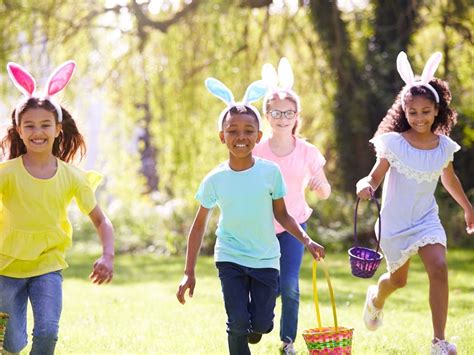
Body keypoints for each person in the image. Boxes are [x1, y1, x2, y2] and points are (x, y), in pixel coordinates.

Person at [176, 77, 325, 355]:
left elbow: (283, 214)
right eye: (232, 131)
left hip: (266, 259)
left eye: (248, 130)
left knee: (261, 324)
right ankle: (242, 332)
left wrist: (307, 240)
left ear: (259, 136)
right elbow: (197, 228)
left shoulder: (270, 173)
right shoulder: (215, 179)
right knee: (237, 323)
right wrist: (188, 272)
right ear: (222, 136)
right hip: (229, 256)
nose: (240, 137)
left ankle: (257, 327)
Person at [356, 51, 473, 355]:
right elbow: (376, 175)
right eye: (413, 112)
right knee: (398, 281)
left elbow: (449, 179)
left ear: (437, 111)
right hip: (395, 223)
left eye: (425, 111)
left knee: (439, 265)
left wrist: (467, 207)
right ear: (403, 112)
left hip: (425, 219)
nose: (419, 117)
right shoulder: (393, 143)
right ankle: (376, 298)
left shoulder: (444, 146)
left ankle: (439, 341)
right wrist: (366, 185)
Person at [0, 61, 115, 355]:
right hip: (6, 266)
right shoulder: (7, 173)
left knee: (48, 331)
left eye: (45, 125)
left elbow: (101, 221)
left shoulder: (72, 177)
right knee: (10, 344)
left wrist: (107, 255)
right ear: (19, 130)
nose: (37, 132)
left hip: (48, 265)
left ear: (58, 129)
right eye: (30, 125)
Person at [253, 58, 331, 354]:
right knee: (265, 285)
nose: (283, 118)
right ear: (267, 114)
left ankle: (288, 341)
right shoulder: (257, 150)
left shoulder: (307, 152)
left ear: (296, 115)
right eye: (276, 112)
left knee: (289, 285)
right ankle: (258, 323)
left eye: (288, 113)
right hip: (260, 227)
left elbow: (325, 191)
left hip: (294, 227)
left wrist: (319, 186)